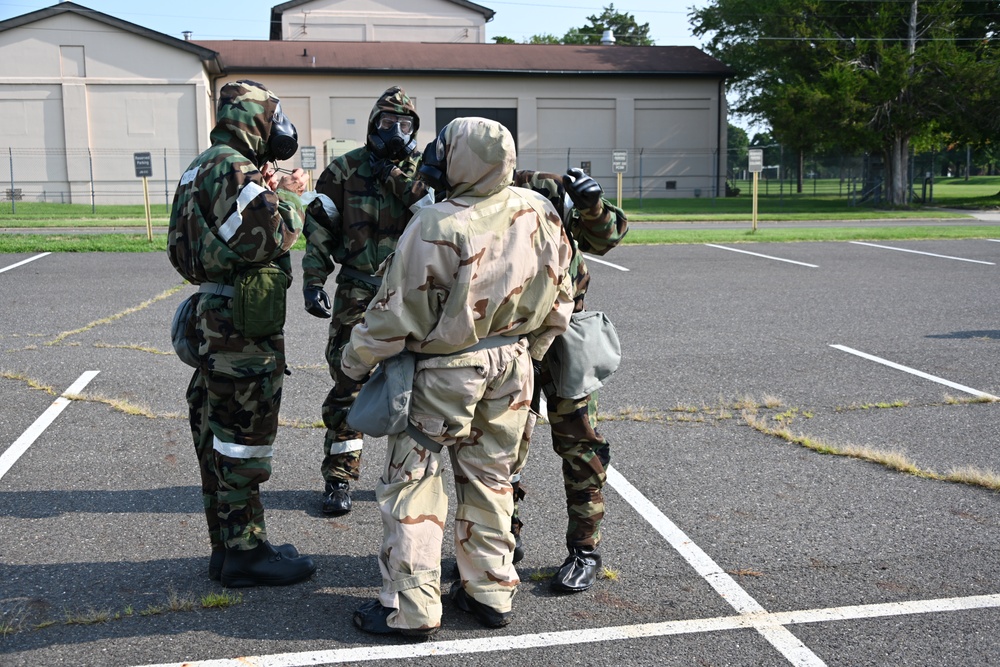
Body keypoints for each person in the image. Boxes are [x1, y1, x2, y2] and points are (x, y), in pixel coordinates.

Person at [343, 117, 574, 637]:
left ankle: (411, 608)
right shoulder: (539, 210)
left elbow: (392, 315)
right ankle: (490, 591)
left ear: (459, 157)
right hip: (513, 368)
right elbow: (562, 297)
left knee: (414, 483)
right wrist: (529, 350)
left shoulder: (435, 224)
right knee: (492, 478)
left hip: (445, 373)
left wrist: (354, 364)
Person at [167, 79, 317, 588]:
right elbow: (266, 237)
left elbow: (198, 244)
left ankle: (228, 548)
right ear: (257, 119)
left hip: (216, 315)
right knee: (242, 442)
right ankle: (247, 552)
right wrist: (293, 200)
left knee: (217, 435)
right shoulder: (233, 167)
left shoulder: (202, 166)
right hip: (241, 333)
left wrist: (266, 193)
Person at [301, 86, 429, 516]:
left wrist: (390, 173)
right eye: (388, 123)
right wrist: (313, 281)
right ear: (374, 125)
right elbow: (319, 228)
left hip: (410, 294)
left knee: (419, 385)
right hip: (357, 289)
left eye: (405, 124)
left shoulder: (424, 171)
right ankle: (339, 476)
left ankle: (409, 480)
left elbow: (432, 214)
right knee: (346, 381)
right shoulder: (344, 170)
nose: (396, 131)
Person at [509, 168, 629, 593]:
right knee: (500, 448)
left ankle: (585, 550)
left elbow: (608, 236)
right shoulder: (479, 194)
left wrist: (591, 204)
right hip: (508, 341)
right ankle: (503, 540)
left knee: (581, 447)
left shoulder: (546, 190)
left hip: (565, 335)